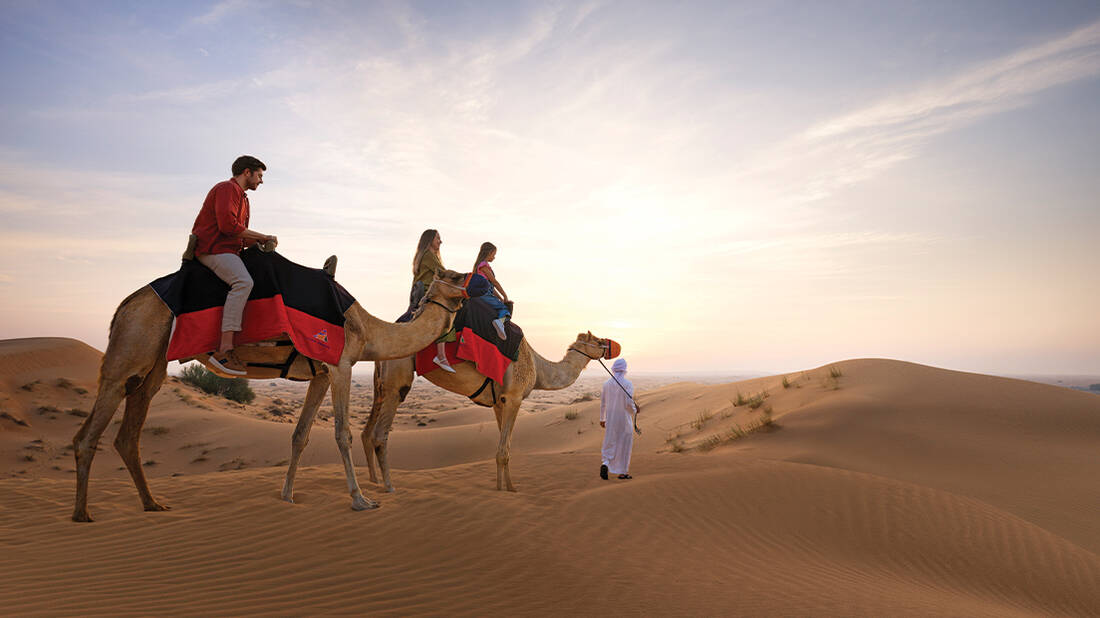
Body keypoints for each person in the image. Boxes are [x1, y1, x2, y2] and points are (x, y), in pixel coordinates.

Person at [191, 155, 277, 376]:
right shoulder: (227, 189)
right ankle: (225, 349)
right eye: (259, 175)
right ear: (247, 172)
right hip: (213, 250)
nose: (261, 181)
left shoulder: (243, 199)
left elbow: (238, 237)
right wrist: (262, 237)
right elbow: (228, 226)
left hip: (227, 250)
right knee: (243, 282)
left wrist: (260, 242)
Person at [411, 229, 456, 373]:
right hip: (428, 293)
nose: (440, 241)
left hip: (429, 292)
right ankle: (441, 356)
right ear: (430, 240)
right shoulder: (428, 255)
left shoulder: (427, 255)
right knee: (446, 316)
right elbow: (443, 273)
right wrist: (461, 278)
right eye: (438, 238)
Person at [600, 358, 637, 480]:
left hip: (610, 419)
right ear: (624, 369)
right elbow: (628, 403)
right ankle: (623, 472)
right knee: (624, 444)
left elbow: (603, 403)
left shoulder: (606, 384)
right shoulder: (627, 384)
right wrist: (635, 410)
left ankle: (605, 463)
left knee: (610, 442)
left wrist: (602, 418)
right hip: (624, 419)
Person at [472, 242, 511, 340]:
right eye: (493, 254)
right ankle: (500, 322)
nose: (494, 257)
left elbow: (491, 287)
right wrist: (505, 296)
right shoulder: (484, 266)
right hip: (484, 294)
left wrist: (500, 298)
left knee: (499, 304)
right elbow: (494, 282)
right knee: (505, 309)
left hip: (486, 292)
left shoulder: (480, 266)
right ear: (489, 253)